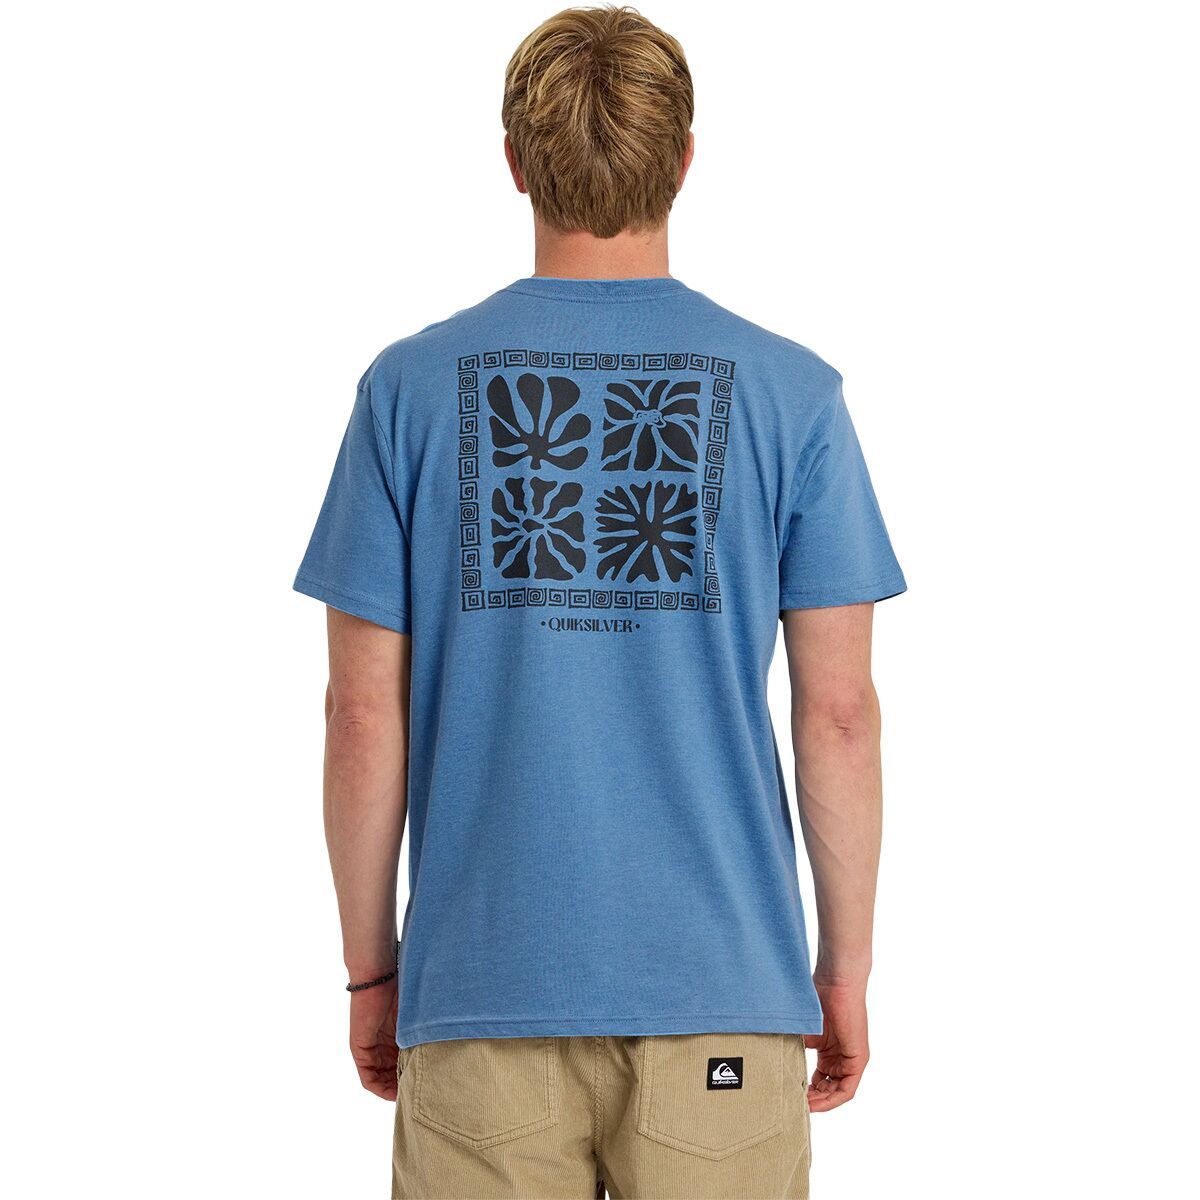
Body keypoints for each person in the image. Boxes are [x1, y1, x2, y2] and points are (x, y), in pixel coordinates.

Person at [295, 7, 905, 1197]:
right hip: (725, 989)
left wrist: (375, 974)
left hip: (481, 992)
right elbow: (839, 717)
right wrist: (841, 972)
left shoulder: (407, 392)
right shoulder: (795, 396)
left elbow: (360, 716)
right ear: (685, 160)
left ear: (514, 162)